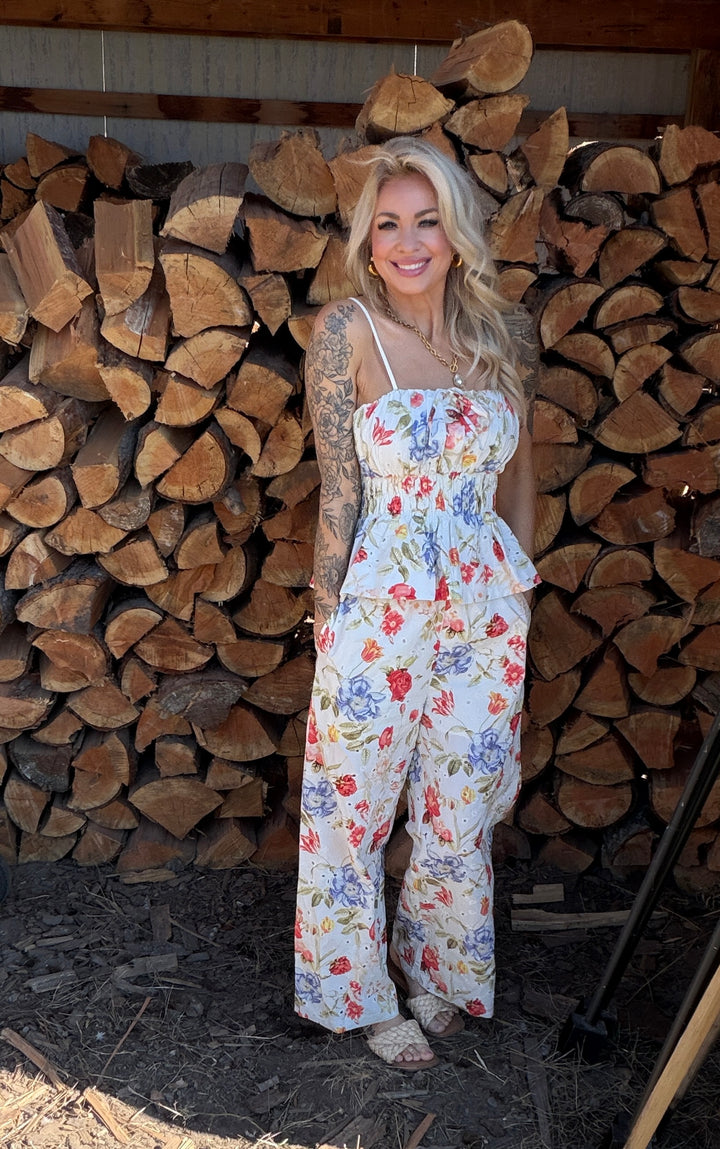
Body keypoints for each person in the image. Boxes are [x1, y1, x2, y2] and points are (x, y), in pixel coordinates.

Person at [294, 135, 540, 1069]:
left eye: (426, 221)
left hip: (485, 607)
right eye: (388, 223)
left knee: (460, 801)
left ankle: (436, 964)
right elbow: (339, 487)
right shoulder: (345, 334)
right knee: (351, 803)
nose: (407, 242)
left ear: (456, 233)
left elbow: (522, 473)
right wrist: (327, 607)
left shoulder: (501, 335)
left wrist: (521, 577)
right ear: (368, 239)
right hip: (382, 600)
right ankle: (354, 991)